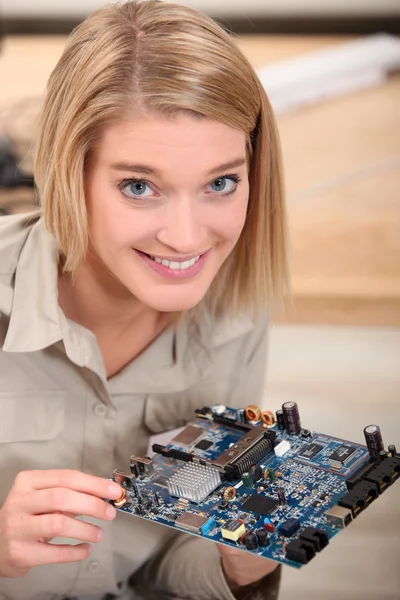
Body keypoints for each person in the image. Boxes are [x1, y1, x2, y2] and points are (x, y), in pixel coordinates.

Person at [0, 1, 288, 598]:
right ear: (66, 172)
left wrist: (239, 566)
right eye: (139, 186)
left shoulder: (238, 314)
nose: (186, 238)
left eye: (221, 182)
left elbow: (154, 567)